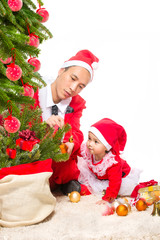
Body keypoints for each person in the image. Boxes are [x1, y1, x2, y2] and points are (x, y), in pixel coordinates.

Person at [33, 49, 99, 194]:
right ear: (61, 70)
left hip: (57, 157)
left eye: (81, 86)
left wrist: (71, 143)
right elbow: (22, 127)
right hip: (33, 152)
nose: (73, 88)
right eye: (73, 78)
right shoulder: (34, 92)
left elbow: (76, 131)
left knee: (67, 165)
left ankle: (64, 182)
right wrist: (44, 127)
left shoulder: (76, 103)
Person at [77, 118, 141, 204]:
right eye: (89, 138)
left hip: (120, 177)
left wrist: (108, 198)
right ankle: (76, 185)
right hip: (101, 176)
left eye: (96, 142)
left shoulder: (112, 163)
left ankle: (85, 189)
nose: (90, 144)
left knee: (114, 188)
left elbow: (115, 183)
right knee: (82, 167)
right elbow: (77, 152)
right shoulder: (88, 150)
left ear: (107, 147)